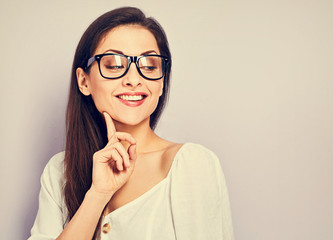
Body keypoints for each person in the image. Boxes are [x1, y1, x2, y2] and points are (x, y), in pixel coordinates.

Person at [28, 7, 234, 240]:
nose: (134, 80)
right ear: (84, 81)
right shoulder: (59, 172)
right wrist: (98, 194)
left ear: (162, 82)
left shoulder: (191, 165)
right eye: (114, 65)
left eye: (149, 66)